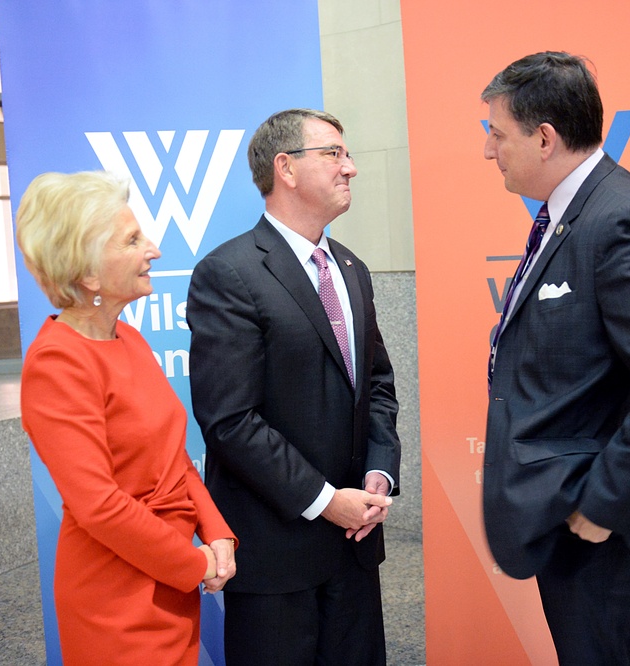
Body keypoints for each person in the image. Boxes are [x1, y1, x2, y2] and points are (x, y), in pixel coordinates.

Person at [480, 52, 630, 664]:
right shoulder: (569, 216)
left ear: (544, 138)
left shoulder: (616, 218)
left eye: (496, 134)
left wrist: (604, 503)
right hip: (565, 506)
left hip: (600, 522)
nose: (488, 151)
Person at [186, 108, 402, 666]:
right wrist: (328, 502)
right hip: (278, 557)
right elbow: (229, 420)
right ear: (285, 167)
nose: (350, 167)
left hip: (355, 547)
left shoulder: (350, 267)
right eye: (333, 153)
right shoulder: (229, 273)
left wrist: (378, 476)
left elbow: (376, 383)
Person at [16, 170, 237, 665]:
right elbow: (98, 505)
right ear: (89, 273)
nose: (153, 249)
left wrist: (216, 532)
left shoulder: (129, 339)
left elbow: (173, 459)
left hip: (170, 579)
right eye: (133, 240)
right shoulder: (57, 363)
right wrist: (192, 562)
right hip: (116, 598)